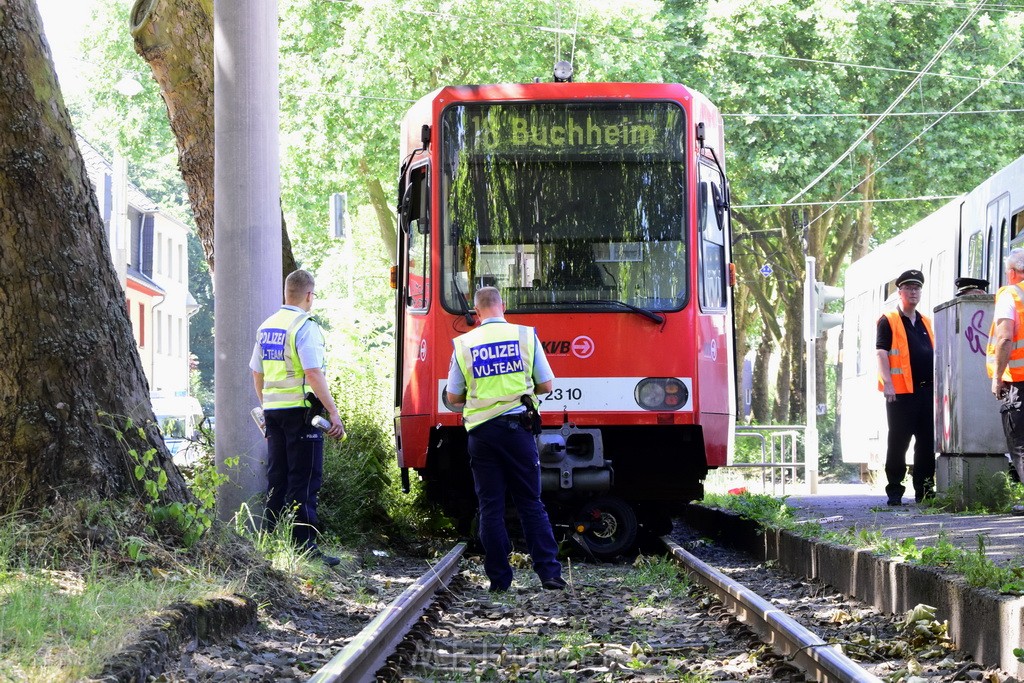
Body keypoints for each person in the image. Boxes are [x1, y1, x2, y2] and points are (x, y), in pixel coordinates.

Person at [446, 286, 565, 592]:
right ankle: (550, 574)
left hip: (482, 435)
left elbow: (453, 395)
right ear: (504, 306)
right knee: (530, 502)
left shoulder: (463, 344)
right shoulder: (525, 336)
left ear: (475, 311)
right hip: (518, 429)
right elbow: (547, 385)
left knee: (490, 507)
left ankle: (500, 581)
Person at [251, 270, 345, 566]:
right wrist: (333, 412)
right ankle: (305, 547)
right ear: (308, 295)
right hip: (302, 414)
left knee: (277, 476)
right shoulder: (304, 326)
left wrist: (267, 405)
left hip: (274, 413)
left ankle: (267, 543)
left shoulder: (267, 327)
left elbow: (257, 372)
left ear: (285, 293)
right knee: (304, 479)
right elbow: (313, 373)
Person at [876, 269, 935, 506]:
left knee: (926, 443)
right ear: (900, 292)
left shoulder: (926, 322)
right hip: (900, 393)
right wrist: (888, 383)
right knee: (898, 442)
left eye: (917, 288)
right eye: (909, 288)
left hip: (926, 392)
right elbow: (881, 352)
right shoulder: (888, 319)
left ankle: (924, 490)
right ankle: (894, 491)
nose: (913, 292)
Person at [987, 248, 1024, 483]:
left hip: (1019, 381)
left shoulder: (1011, 295)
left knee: (1020, 444)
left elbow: (1004, 338)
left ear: (1011, 273)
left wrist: (997, 376)